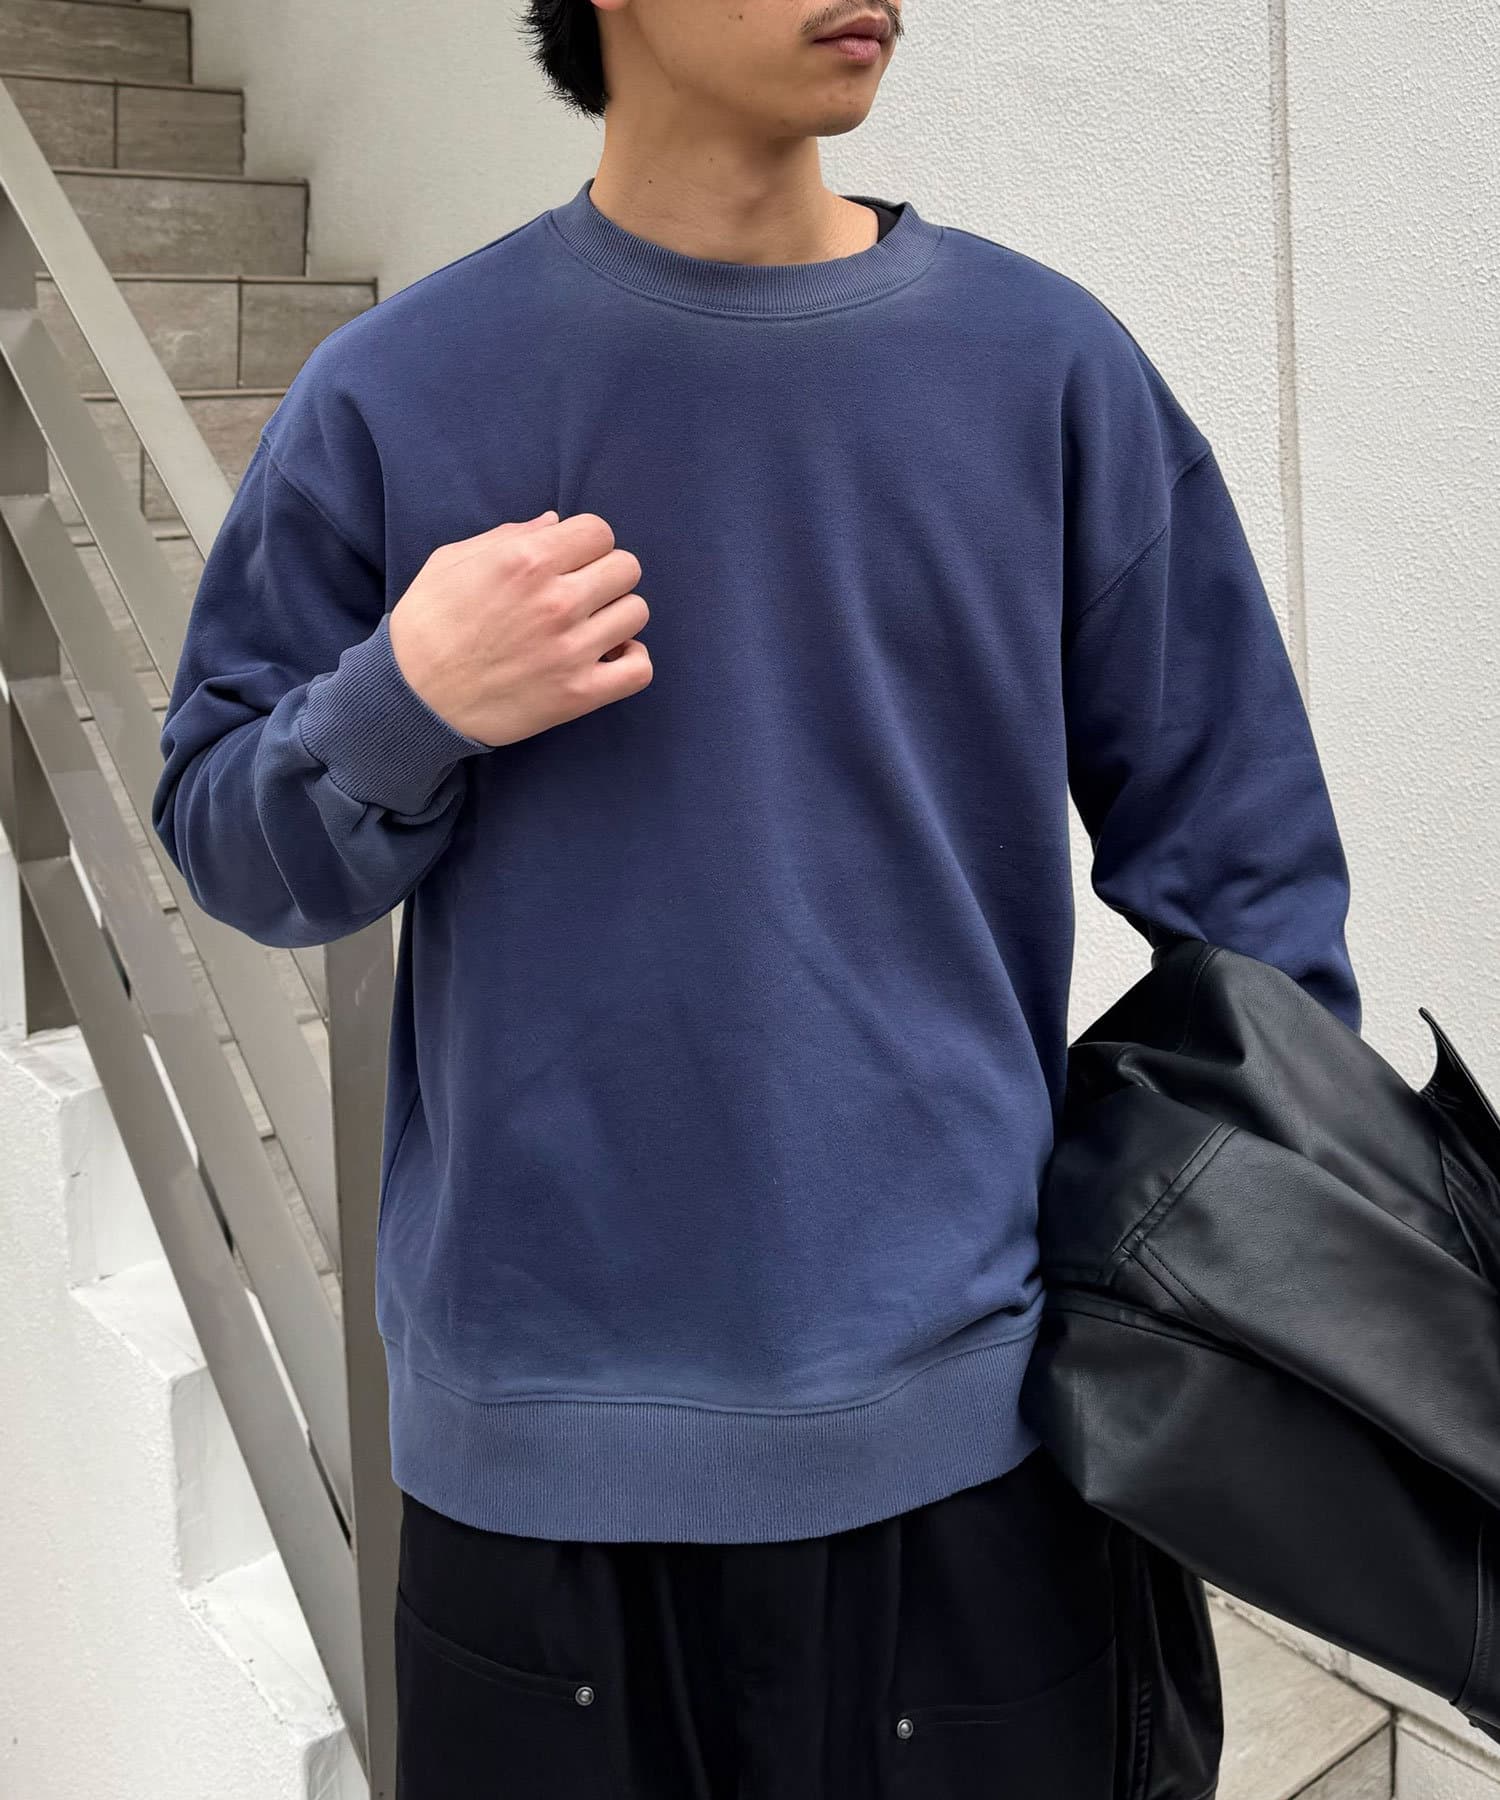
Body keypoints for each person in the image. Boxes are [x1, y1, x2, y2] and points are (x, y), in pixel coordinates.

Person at [150, 0, 1361, 1793]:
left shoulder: (1046, 369)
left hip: (979, 1456)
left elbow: (1252, 902)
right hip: (533, 1488)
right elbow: (225, 845)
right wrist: (408, 699)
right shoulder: (401, 390)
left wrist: (1208, 1314)